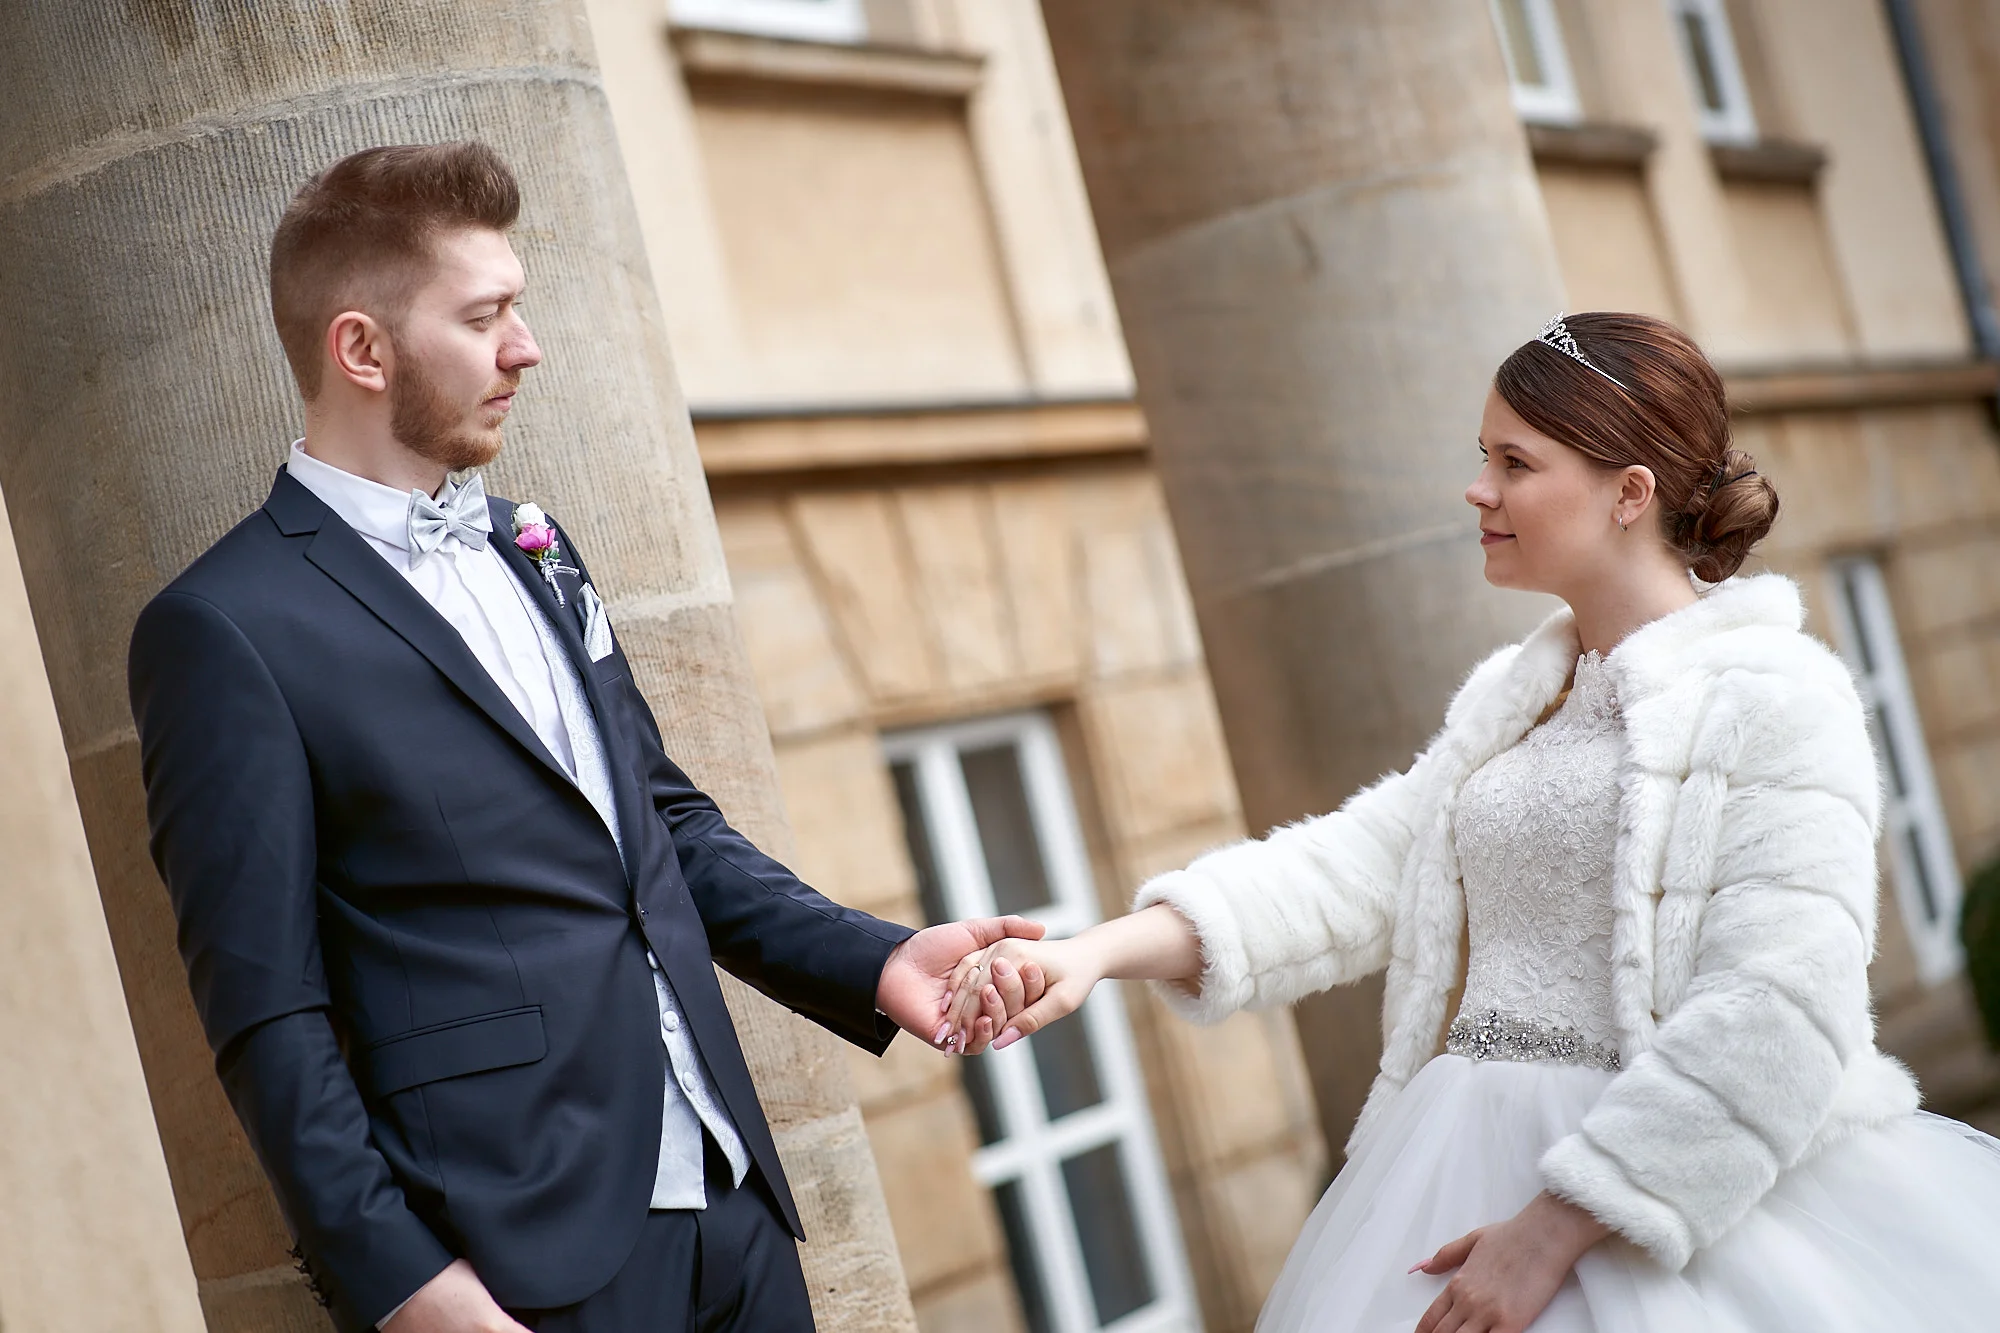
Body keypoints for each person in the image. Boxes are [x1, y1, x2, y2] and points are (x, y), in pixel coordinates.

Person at [126, 141, 1043, 1333]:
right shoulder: (222, 629)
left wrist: (872, 958)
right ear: (362, 348)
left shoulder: (535, 548)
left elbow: (662, 829)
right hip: (518, 1261)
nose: (527, 346)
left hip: (733, 1204)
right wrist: (406, 1287)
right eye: (487, 315)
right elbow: (266, 1011)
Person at [942, 312, 2000, 1331]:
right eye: (1480, 456)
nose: (1476, 487)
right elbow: (1354, 867)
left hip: (1669, 1205)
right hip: (1447, 1162)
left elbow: (1779, 1007)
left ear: (1627, 492)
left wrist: (1553, 1228)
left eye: (1513, 462)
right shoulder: (1516, 691)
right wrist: (1091, 955)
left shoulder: (1773, 695)